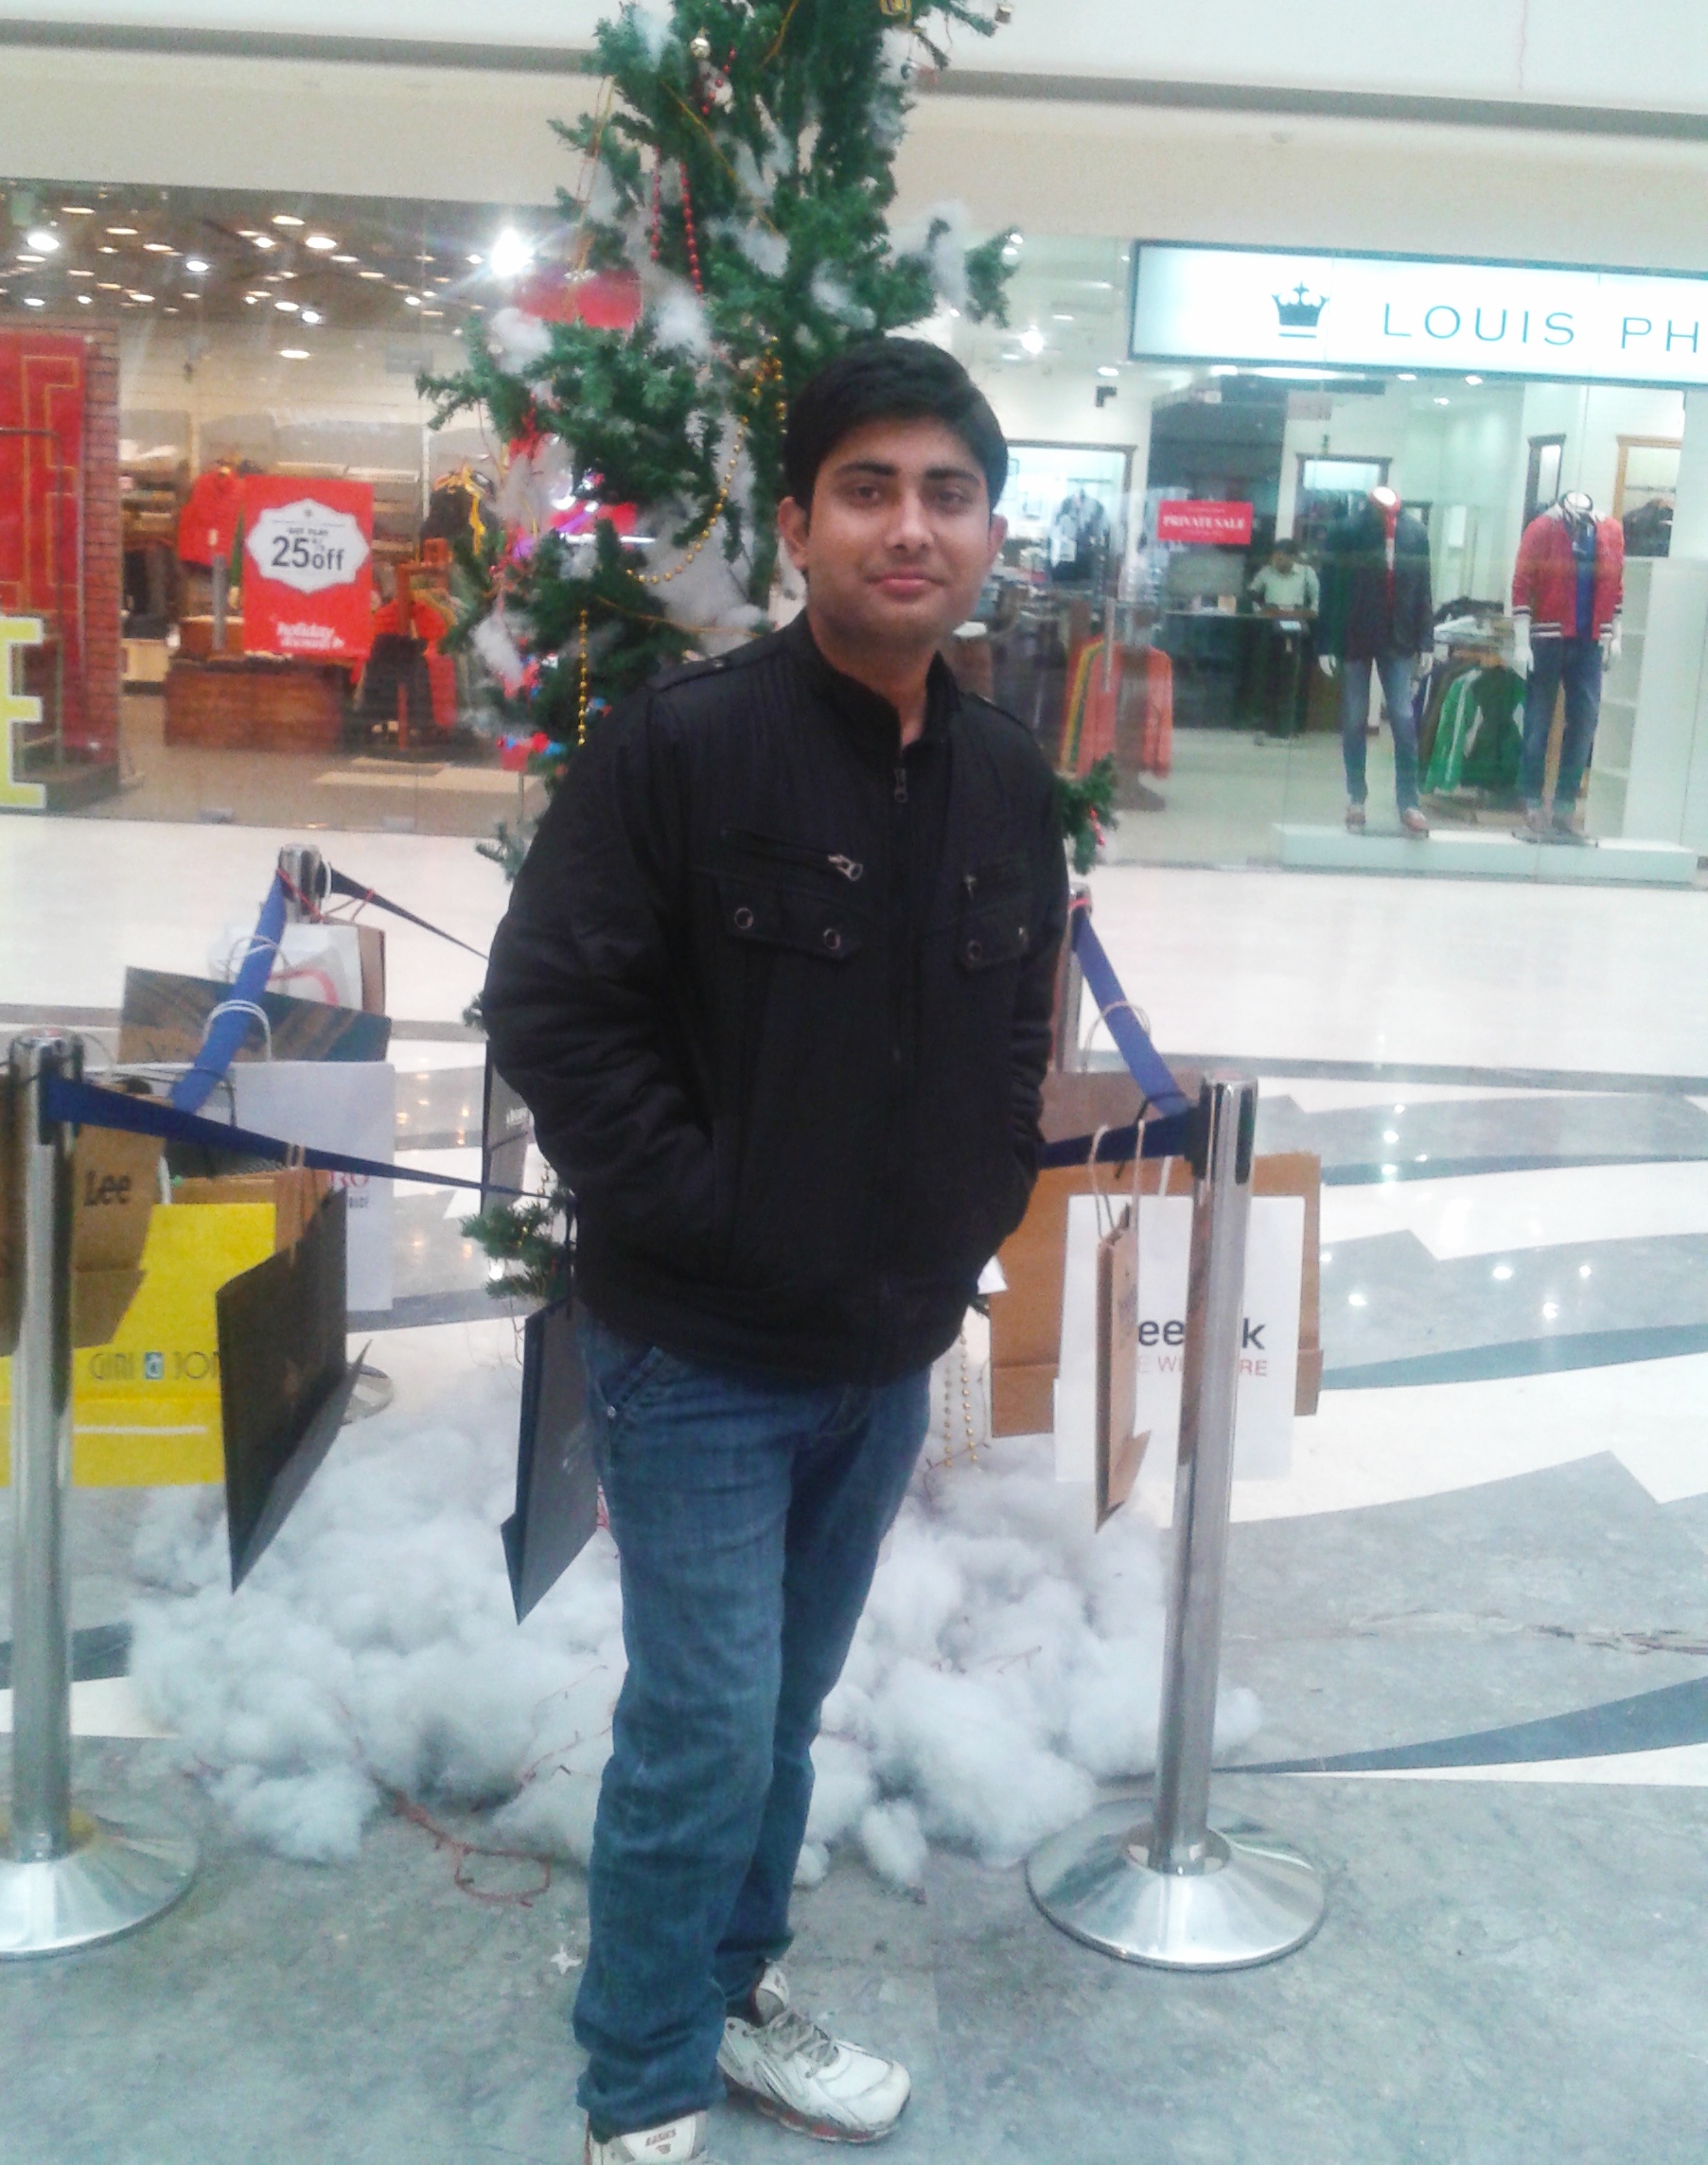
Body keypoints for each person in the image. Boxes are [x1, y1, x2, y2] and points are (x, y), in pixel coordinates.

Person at [484, 337, 1069, 2165]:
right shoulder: (686, 747)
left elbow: (1012, 1033)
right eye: (869, 490)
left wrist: (972, 1208)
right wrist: (709, 1216)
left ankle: (735, 1995)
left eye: (949, 494)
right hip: (700, 1355)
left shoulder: (1004, 779)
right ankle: (641, 2080)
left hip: (882, 1354)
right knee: (703, 1723)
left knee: (786, 1714)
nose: (912, 527)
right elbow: (552, 1007)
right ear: (800, 525)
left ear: (989, 534)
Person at [1316, 486, 1434, 836]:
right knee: (1354, 718)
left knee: (1403, 718)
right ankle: (1356, 797)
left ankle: (1408, 801)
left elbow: (1423, 589)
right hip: (1354, 635)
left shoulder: (1414, 532)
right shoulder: (1347, 531)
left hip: (1398, 637)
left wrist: (1426, 640)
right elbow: (1330, 588)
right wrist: (1325, 643)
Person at [1244, 540, 1318, 739]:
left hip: (1297, 624)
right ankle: (1267, 723)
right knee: (1269, 674)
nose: (1277, 560)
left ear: (1293, 557)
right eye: (1275, 556)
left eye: (1282, 557)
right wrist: (1261, 611)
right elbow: (1252, 594)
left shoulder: (1306, 573)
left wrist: (1306, 614)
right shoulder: (1266, 573)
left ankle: (1292, 725)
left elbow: (1316, 600)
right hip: (1271, 624)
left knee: (1294, 675)